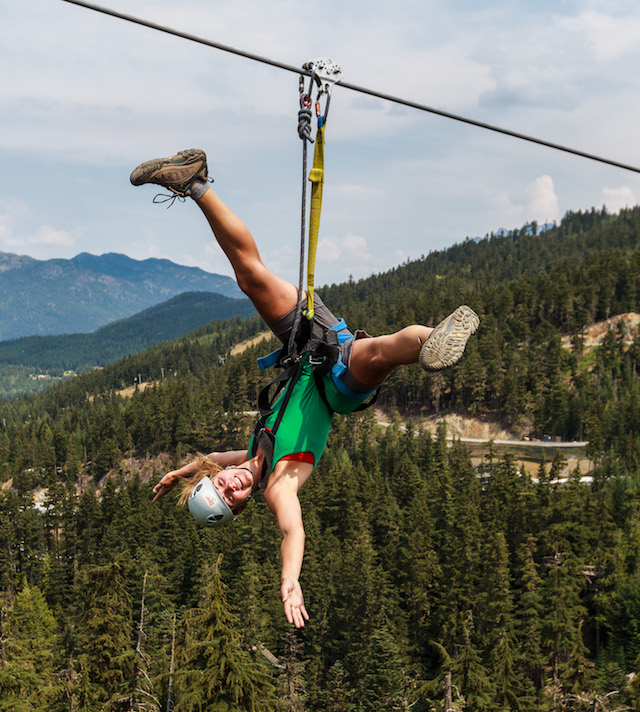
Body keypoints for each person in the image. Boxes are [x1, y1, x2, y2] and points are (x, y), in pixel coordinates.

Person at [130, 149, 479, 628]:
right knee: (378, 352)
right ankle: (432, 342)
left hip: (306, 347)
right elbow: (291, 531)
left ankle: (194, 184)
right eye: (231, 499)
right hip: (337, 383)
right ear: (242, 505)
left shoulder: (250, 456)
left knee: (249, 277)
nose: (232, 486)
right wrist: (288, 579)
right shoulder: (277, 487)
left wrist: (179, 474)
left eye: (220, 486)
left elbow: (214, 457)